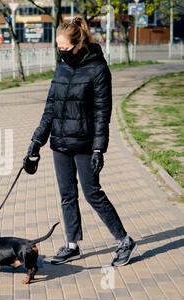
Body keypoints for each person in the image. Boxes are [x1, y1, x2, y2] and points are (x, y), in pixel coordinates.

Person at [23, 16, 137, 267]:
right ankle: (71, 244)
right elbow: (50, 108)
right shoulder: (62, 67)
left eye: (64, 49)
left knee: (92, 193)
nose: (61, 53)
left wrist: (98, 148)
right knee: (67, 195)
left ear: (78, 44)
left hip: (85, 144)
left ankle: (124, 240)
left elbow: (101, 113)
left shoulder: (97, 69)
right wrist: (35, 143)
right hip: (60, 143)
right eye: (58, 49)